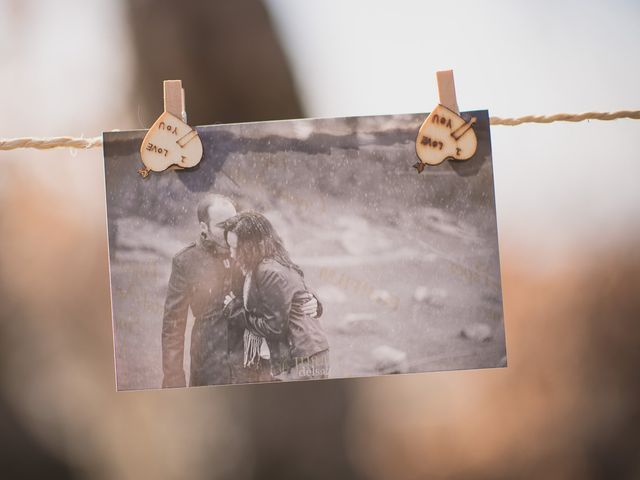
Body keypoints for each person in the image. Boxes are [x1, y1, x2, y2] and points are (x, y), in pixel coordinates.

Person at [161, 194, 320, 387]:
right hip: (208, 365)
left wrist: (312, 299)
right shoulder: (185, 261)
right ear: (204, 227)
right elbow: (173, 327)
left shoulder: (251, 247)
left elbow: (285, 273)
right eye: (222, 225)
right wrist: (173, 380)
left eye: (233, 222)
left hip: (254, 361)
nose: (231, 230)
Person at [222, 212, 330, 381]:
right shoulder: (262, 264)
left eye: (236, 247)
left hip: (302, 357)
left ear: (253, 246)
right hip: (297, 354)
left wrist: (236, 311)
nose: (232, 253)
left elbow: (274, 328)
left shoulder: (269, 270)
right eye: (230, 246)